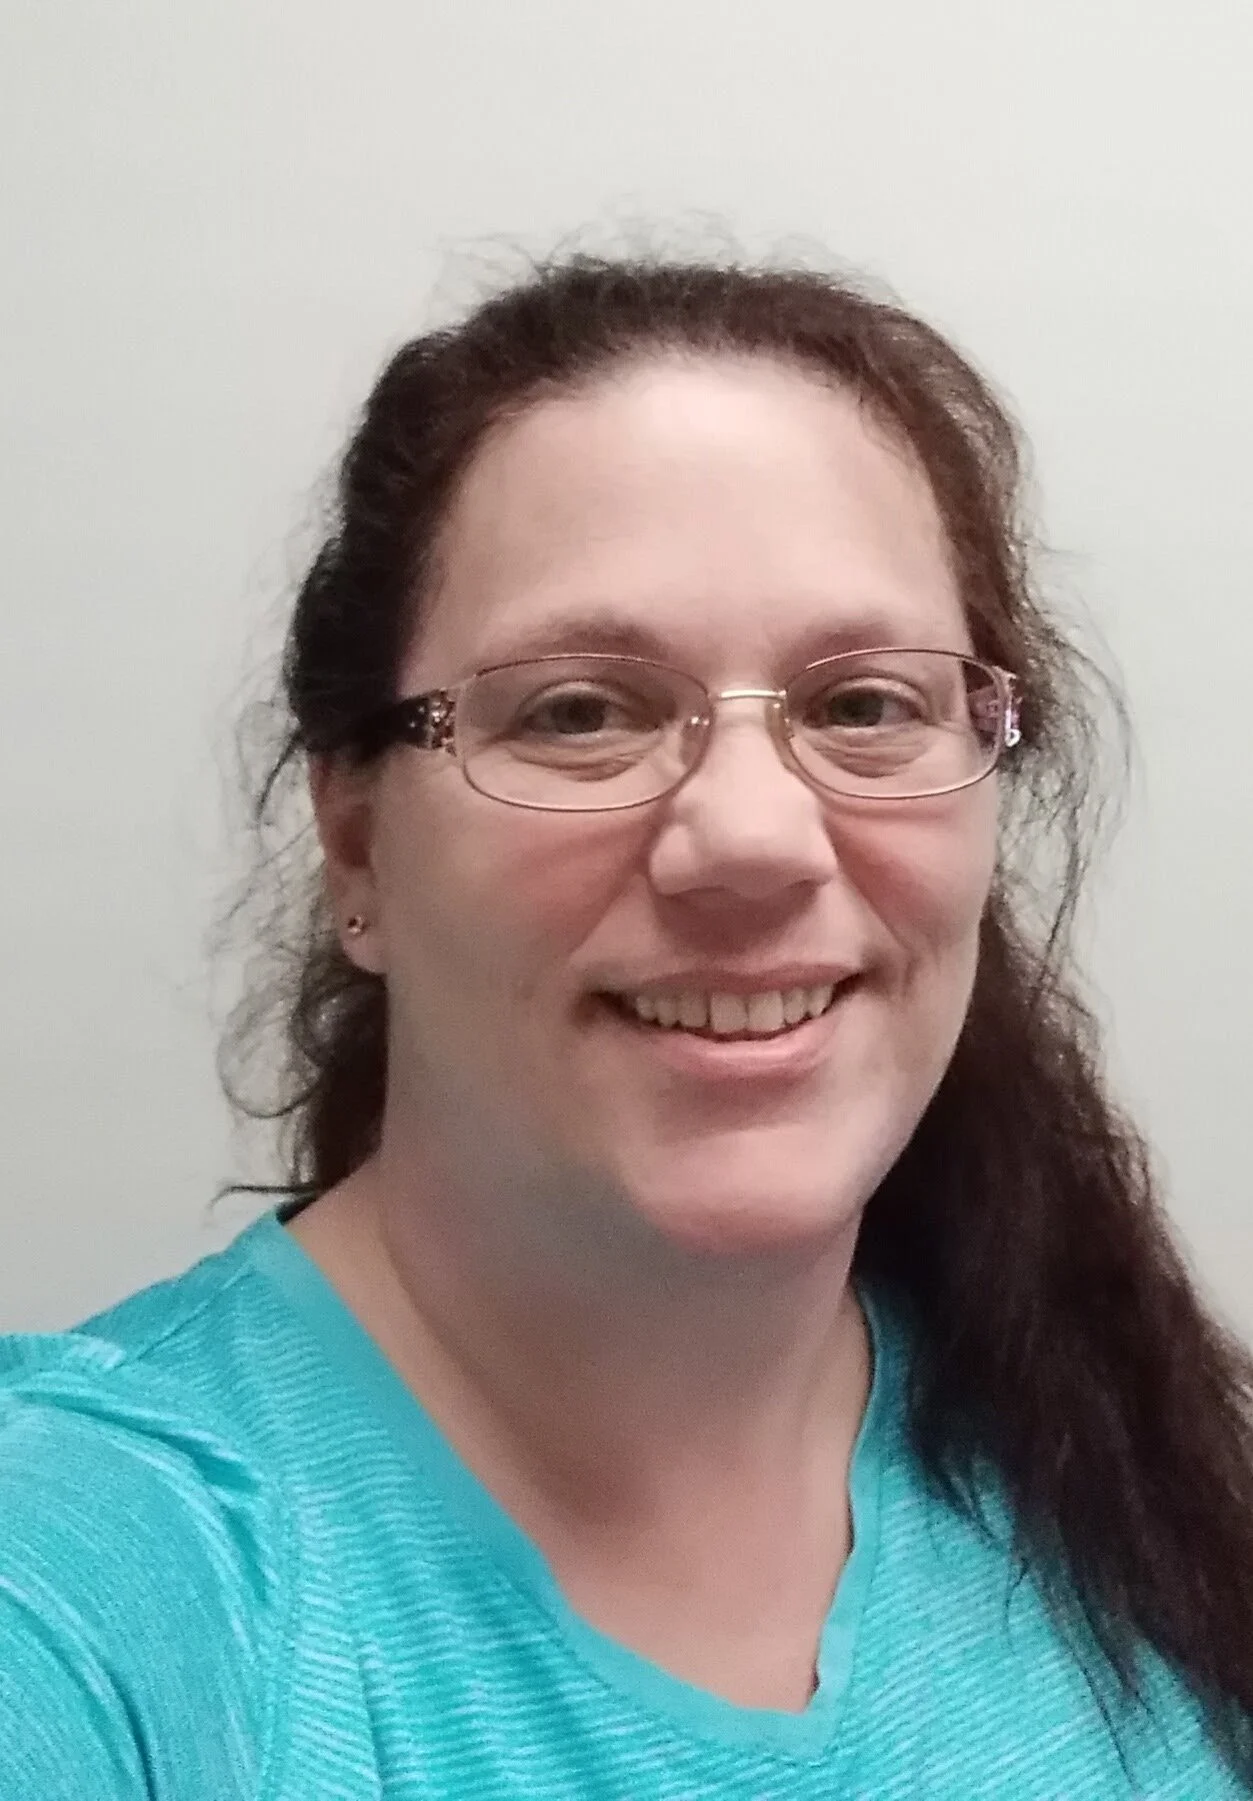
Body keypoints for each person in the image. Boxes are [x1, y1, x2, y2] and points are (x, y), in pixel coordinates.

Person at [2, 253, 1251, 1800]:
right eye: (580, 711)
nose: (754, 840)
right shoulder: (88, 1579)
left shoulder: (1099, 1451)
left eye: (864, 705)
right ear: (358, 847)